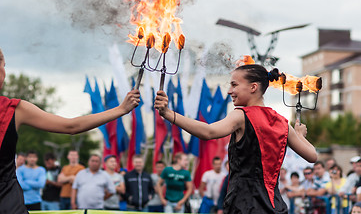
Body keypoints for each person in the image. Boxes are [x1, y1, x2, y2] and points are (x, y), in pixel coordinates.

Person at [154, 63, 318, 214]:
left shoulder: (241, 115)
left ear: (253, 87)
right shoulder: (282, 122)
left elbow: (208, 132)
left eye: (234, 85)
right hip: (274, 205)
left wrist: (168, 113)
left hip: (244, 204)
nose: (229, 91)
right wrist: (299, 137)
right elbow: (312, 156)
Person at [0, 49, 140, 214]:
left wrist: (121, 109)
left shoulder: (15, 109)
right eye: (4, 65)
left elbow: (72, 126)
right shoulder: (13, 109)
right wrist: (121, 109)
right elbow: (71, 126)